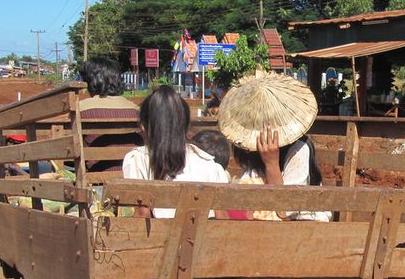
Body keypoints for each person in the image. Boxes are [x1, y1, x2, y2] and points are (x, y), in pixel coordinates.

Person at [217, 71, 329, 221]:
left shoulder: (299, 150)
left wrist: (271, 163)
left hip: (305, 224)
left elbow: (285, 209)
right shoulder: (249, 146)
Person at [122, 86, 229, 217]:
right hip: (205, 235)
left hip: (161, 236)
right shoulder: (209, 164)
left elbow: (142, 214)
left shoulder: (137, 160)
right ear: (185, 125)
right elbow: (221, 217)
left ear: (143, 127)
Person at [77, 56, 140, 172]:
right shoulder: (136, 110)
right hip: (132, 176)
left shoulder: (80, 109)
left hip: (96, 177)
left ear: (91, 82)